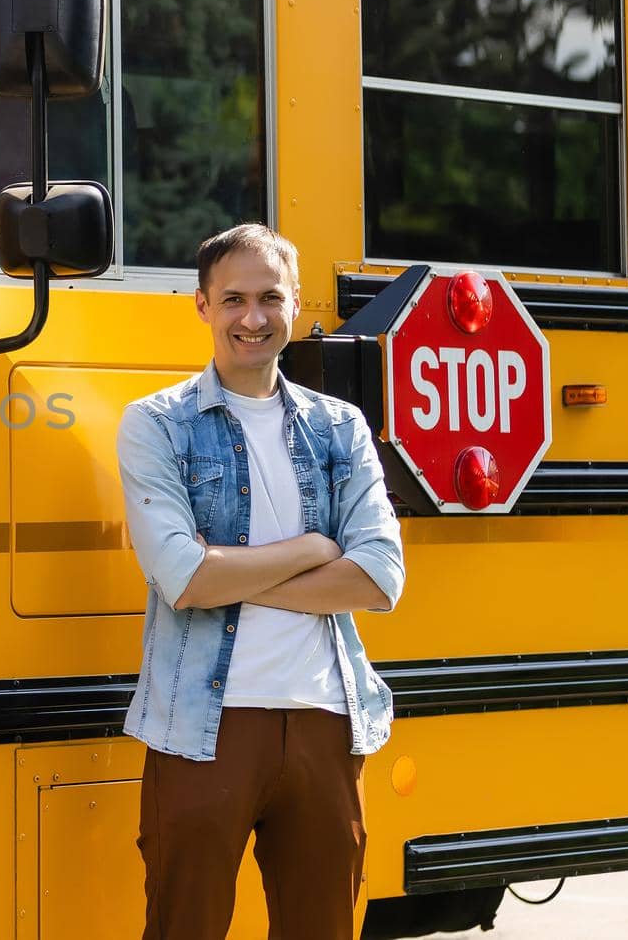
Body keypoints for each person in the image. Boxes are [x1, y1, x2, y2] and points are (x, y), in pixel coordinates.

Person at [117, 223, 405, 940]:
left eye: (270, 297)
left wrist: (227, 573)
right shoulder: (157, 424)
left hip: (326, 721)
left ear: (295, 303)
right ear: (202, 306)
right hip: (202, 727)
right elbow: (181, 577)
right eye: (234, 298)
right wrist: (312, 546)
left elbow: (378, 574)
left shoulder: (339, 427)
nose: (253, 317)